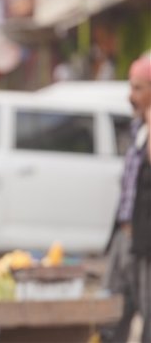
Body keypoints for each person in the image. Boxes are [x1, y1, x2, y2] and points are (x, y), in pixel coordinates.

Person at [103, 53, 151, 343]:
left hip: (146, 241)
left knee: (147, 309)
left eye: (138, 88)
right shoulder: (136, 128)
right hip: (124, 233)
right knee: (113, 309)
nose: (130, 96)